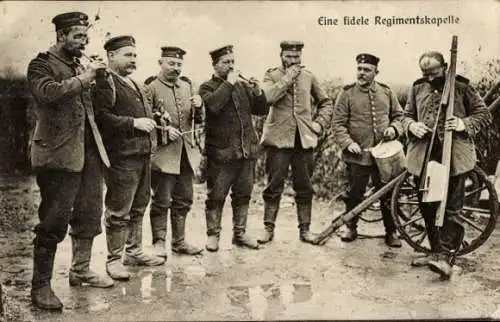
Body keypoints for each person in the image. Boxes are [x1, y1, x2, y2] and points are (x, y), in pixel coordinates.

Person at [26, 11, 114, 310]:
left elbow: (102, 105)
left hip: (87, 153)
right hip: (58, 155)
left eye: (86, 37)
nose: (83, 42)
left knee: (90, 212)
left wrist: (102, 80)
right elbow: (46, 93)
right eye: (78, 36)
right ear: (61, 36)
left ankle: (80, 270)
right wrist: (83, 78)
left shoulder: (80, 65)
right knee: (53, 222)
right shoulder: (41, 64)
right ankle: (40, 288)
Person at [403, 51, 491, 279]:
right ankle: (434, 251)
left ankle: (446, 258)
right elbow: (406, 115)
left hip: (454, 156)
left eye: (433, 72)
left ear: (444, 67)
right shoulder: (417, 87)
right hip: (424, 154)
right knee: (427, 204)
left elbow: (483, 113)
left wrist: (463, 123)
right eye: (425, 73)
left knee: (451, 207)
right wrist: (412, 126)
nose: (430, 78)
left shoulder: (461, 87)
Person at [93, 35, 165, 281]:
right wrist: (134, 123)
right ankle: (113, 260)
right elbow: (101, 118)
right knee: (118, 211)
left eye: (134, 55)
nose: (133, 59)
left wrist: (155, 118)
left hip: (142, 155)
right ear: (111, 56)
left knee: (139, 206)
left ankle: (133, 252)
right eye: (127, 55)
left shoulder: (133, 83)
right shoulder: (105, 82)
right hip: (122, 158)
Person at [258, 41, 333, 245]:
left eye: (296, 57)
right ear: (280, 55)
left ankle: (305, 230)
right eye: (289, 56)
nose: (293, 61)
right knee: (274, 185)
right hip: (278, 140)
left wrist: (319, 124)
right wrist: (288, 76)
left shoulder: (308, 76)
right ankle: (268, 228)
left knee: (305, 186)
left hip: (303, 139)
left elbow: (326, 102)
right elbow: (269, 97)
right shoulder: (271, 75)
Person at [198, 45, 268, 252]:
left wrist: (258, 92)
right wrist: (228, 84)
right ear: (214, 64)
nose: (230, 66)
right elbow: (213, 106)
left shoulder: (242, 86)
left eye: (232, 62)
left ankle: (240, 233)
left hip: (246, 151)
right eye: (225, 62)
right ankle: (213, 235)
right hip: (221, 154)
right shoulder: (206, 87)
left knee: (243, 194)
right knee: (216, 196)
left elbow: (261, 110)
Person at [332, 53, 404, 247]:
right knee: (354, 193)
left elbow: (399, 116)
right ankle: (351, 227)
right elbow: (337, 124)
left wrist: (394, 128)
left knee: (387, 194)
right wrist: (348, 143)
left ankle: (391, 231)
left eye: (367, 70)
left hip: (384, 156)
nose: (362, 73)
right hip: (357, 156)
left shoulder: (387, 92)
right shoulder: (346, 94)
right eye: (359, 69)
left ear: (376, 72)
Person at [145, 46, 204, 258]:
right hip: (163, 155)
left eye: (179, 64)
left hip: (186, 154)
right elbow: (146, 117)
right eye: (171, 63)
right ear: (160, 63)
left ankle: (179, 241)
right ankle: (159, 242)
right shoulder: (150, 87)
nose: (176, 68)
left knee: (184, 198)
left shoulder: (187, 87)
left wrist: (199, 105)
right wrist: (163, 130)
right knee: (162, 199)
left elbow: (197, 119)